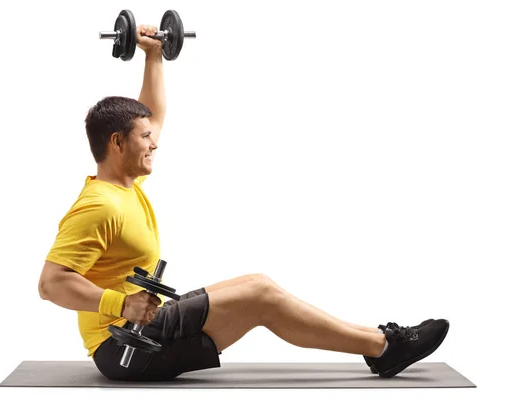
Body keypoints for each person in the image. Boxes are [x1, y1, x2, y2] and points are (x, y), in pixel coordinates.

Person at [38, 24, 450, 382]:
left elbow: (153, 114)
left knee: (258, 283)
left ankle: (379, 343)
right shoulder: (99, 206)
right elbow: (50, 283)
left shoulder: (122, 185)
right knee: (259, 296)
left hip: (140, 328)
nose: (155, 141)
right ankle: (384, 348)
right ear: (117, 143)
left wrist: (155, 55)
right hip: (125, 349)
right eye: (145, 138)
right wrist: (121, 303)